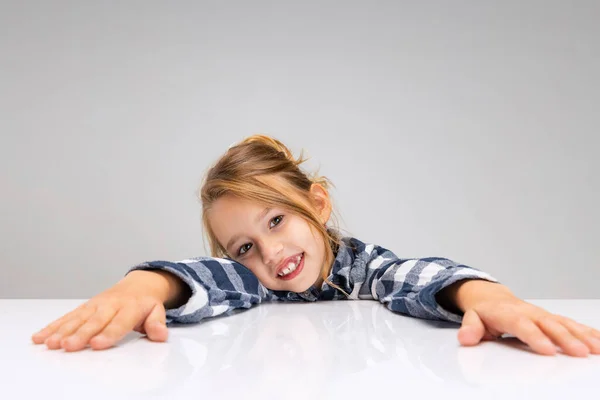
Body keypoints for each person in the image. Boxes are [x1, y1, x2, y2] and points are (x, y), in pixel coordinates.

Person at [31, 134, 600, 357]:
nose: (268, 254)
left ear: (318, 205)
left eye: (277, 221)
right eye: (244, 247)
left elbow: (412, 274)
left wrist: (487, 296)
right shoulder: (250, 280)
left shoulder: (360, 268)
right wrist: (142, 285)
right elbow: (205, 275)